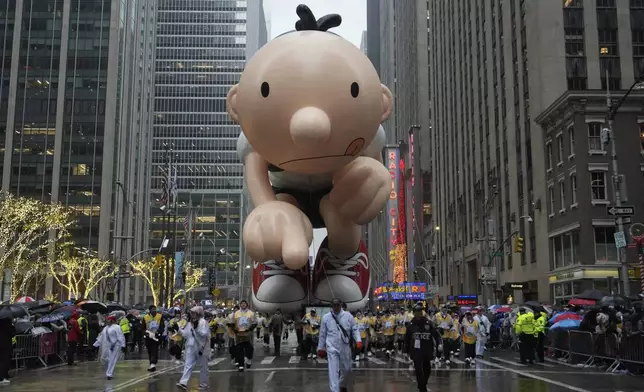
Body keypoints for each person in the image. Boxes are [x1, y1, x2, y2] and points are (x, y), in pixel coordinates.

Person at [317, 299, 362, 392]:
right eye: (334, 305)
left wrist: (358, 340)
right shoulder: (326, 317)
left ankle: (342, 384)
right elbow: (322, 334)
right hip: (331, 347)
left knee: (347, 369)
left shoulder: (348, 316)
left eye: (338, 305)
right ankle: (335, 390)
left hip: (345, 347)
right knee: (333, 371)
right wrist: (321, 348)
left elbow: (355, 329)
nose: (336, 307)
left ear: (341, 305)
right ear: (331, 306)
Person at [405, 304, 442, 392]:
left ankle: (423, 384)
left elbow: (437, 335)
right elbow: (407, 339)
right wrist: (406, 352)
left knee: (427, 369)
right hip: (416, 351)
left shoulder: (428, 323)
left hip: (427, 350)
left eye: (420, 311)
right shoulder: (411, 325)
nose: (419, 313)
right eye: (417, 311)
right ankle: (422, 388)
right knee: (418, 369)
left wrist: (439, 344)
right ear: (414, 313)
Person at [176, 306, 211, 390]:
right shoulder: (189, 323)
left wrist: (196, 328)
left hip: (201, 347)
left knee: (203, 366)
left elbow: (204, 334)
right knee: (187, 364)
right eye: (191, 313)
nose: (192, 314)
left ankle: (204, 384)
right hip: (191, 346)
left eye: (194, 313)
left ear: (198, 313)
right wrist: (178, 330)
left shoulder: (203, 322)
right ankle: (183, 382)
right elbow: (186, 334)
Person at [93, 314, 126, 380]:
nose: (107, 321)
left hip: (115, 346)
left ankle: (109, 374)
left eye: (109, 320)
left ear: (112, 320)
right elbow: (101, 337)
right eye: (107, 320)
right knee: (105, 359)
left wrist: (123, 345)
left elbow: (120, 336)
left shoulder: (117, 327)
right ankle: (108, 372)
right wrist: (95, 344)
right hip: (107, 346)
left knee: (112, 360)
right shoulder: (106, 328)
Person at [229, 300, 257, 372]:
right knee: (239, 350)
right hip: (238, 334)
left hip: (248, 334)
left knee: (249, 348)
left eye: (245, 303)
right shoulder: (236, 313)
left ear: (247, 305)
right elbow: (232, 322)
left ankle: (248, 359)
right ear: (240, 305)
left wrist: (250, 329)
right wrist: (234, 329)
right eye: (242, 304)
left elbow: (254, 323)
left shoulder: (251, 313)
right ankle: (241, 365)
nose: (243, 305)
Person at [143, 305, 164, 371]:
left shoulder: (159, 316)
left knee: (154, 350)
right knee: (149, 350)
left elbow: (162, 326)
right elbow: (143, 327)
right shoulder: (145, 317)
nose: (154, 310)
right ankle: (151, 364)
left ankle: (153, 363)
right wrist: (145, 333)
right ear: (150, 310)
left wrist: (158, 332)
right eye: (152, 309)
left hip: (156, 336)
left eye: (155, 309)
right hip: (148, 337)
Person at [0, 317, 15, 385]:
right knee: (5, 361)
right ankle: (2, 377)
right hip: (5, 344)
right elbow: (13, 334)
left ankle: (4, 375)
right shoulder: (8, 325)